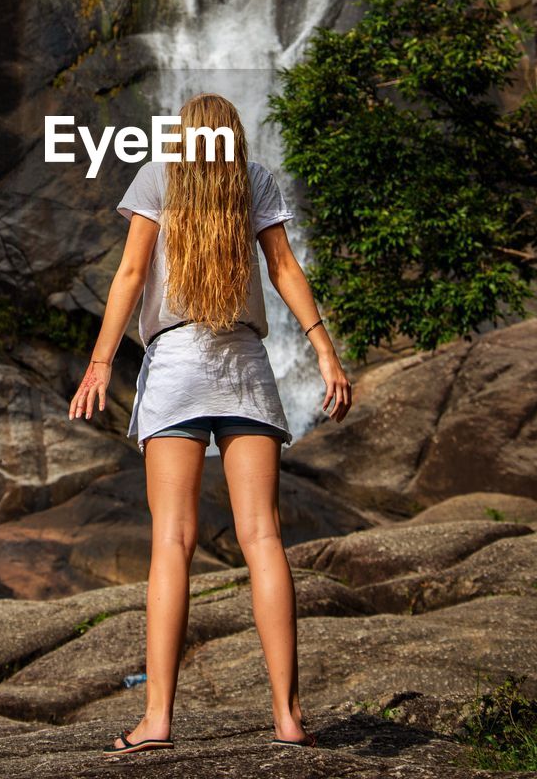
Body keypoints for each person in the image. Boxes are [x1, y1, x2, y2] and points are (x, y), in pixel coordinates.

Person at [68, 92, 353, 757]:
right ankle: (286, 717)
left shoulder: (158, 176)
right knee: (262, 537)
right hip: (245, 368)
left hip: (174, 367)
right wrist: (325, 353)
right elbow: (284, 269)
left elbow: (131, 274)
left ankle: (157, 719)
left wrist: (98, 364)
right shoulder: (254, 180)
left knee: (171, 540)